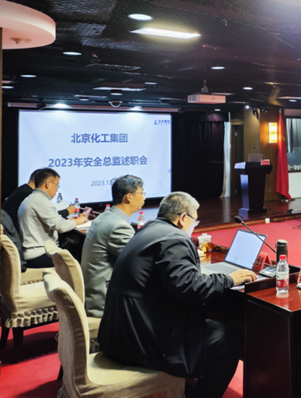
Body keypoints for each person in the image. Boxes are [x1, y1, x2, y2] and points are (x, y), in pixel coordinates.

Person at [98, 192, 257, 398]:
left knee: (207, 325)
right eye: (195, 220)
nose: (194, 225)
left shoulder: (148, 230)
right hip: (139, 342)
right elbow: (188, 288)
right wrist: (229, 279)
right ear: (182, 218)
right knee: (226, 338)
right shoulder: (175, 238)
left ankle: (188, 384)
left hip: (119, 333)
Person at [81, 175, 145, 318]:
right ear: (129, 197)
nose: (144, 197)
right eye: (142, 193)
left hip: (93, 292)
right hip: (104, 301)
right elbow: (139, 263)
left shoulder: (105, 217)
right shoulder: (119, 226)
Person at [18, 168, 87, 268]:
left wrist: (67, 221)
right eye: (56, 185)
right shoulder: (41, 202)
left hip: (33, 252)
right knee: (80, 259)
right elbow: (61, 227)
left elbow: (53, 221)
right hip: (39, 254)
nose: (57, 189)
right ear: (48, 184)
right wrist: (77, 221)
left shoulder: (31, 199)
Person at [4, 169, 74, 228]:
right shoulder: (31, 195)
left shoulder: (23, 189)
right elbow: (51, 218)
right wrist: (67, 212)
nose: (56, 189)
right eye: (56, 185)